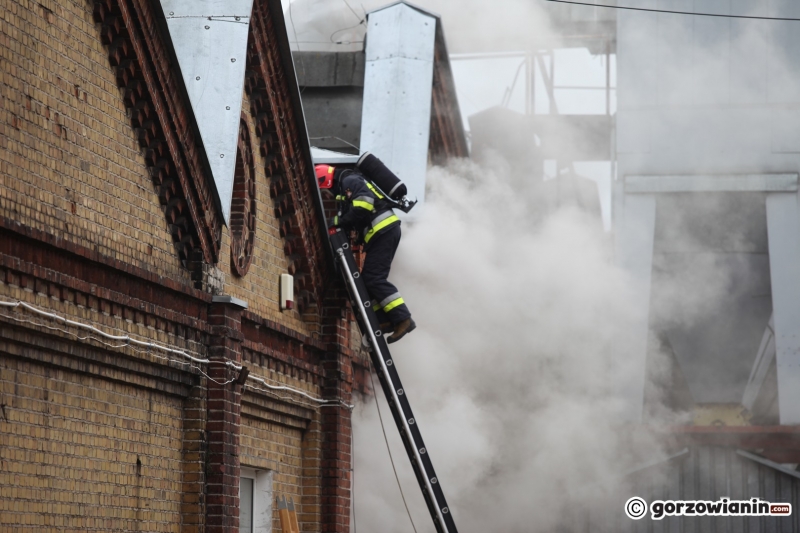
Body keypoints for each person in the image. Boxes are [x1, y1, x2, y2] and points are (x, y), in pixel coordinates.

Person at [316, 164, 415, 344]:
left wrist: (340, 221)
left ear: (327, 181)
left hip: (384, 231)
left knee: (375, 279)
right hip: (380, 233)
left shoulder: (349, 180)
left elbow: (364, 204)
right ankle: (384, 319)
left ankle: (403, 318)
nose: (327, 194)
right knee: (368, 280)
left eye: (325, 190)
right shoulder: (348, 184)